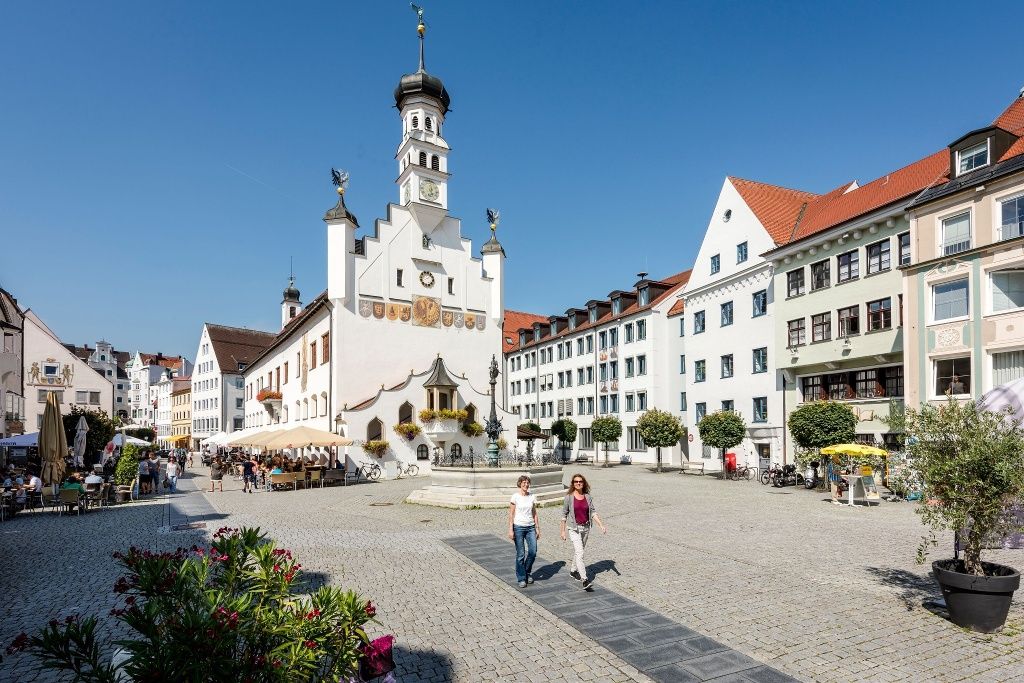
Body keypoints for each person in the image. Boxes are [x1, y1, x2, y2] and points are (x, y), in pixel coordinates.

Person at [560, 473, 607, 590]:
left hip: (586, 528)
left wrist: (601, 525)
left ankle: (572, 571)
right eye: (576, 481)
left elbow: (593, 512)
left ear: (583, 483)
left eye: (580, 481)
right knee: (580, 553)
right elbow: (563, 515)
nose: (578, 483)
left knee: (578, 551)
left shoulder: (587, 497)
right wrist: (562, 531)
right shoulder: (569, 497)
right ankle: (585, 579)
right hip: (574, 529)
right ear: (573, 484)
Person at [508, 474, 540, 588]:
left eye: (527, 483)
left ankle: (526, 571)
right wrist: (510, 529)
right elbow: (511, 514)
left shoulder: (532, 496)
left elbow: (534, 513)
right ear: (520, 484)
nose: (526, 485)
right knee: (521, 554)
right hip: (518, 527)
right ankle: (521, 577)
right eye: (524, 483)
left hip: (530, 527)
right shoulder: (515, 497)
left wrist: (537, 528)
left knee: (533, 551)